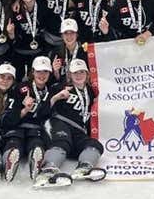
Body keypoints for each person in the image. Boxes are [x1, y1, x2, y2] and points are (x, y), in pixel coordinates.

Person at [34, 59, 106, 188]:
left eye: (81, 72)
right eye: (75, 73)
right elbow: (40, 112)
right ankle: (48, 170)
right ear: (69, 75)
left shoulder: (90, 91)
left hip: (78, 129)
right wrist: (55, 98)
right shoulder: (58, 87)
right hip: (58, 123)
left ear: (87, 74)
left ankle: (84, 167)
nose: (78, 75)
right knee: (62, 142)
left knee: (94, 144)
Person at [1, 56, 54, 181]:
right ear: (32, 72)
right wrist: (24, 109)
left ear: (50, 73)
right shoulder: (20, 88)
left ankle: (35, 158)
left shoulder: (51, 90)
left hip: (36, 129)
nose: (42, 75)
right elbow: (9, 119)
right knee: (14, 142)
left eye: (45, 71)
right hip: (17, 126)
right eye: (38, 71)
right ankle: (9, 160)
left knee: (36, 142)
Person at [10, 0, 45, 81]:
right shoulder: (15, 9)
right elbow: (12, 36)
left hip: (39, 51)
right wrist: (11, 34)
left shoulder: (43, 6)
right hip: (19, 52)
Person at [48, 18, 88, 83]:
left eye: (72, 32)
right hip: (63, 89)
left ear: (77, 34)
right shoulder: (56, 53)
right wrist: (56, 71)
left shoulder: (85, 51)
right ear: (62, 36)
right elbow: (55, 80)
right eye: (66, 33)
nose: (69, 36)